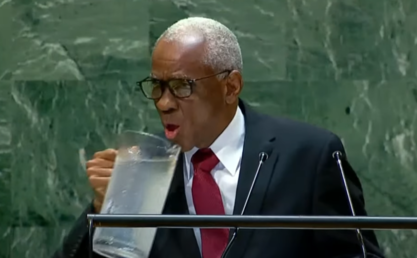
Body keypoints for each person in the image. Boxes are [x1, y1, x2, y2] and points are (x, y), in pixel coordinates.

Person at [53, 17, 384, 258]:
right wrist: (103, 208)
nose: (164, 103)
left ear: (230, 86)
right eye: (157, 86)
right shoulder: (143, 165)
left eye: (182, 86)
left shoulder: (308, 156)